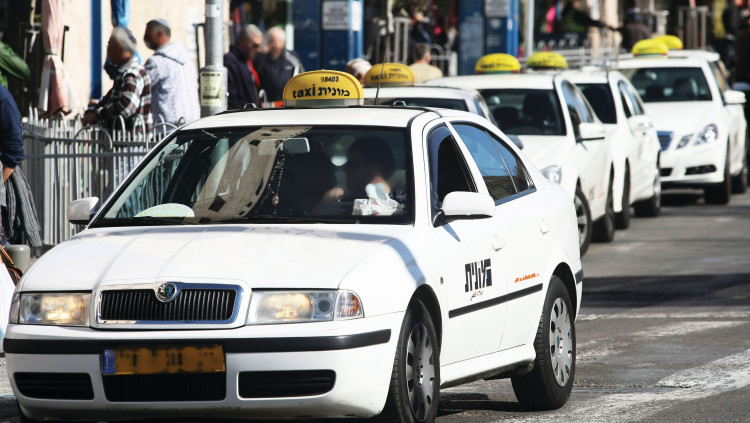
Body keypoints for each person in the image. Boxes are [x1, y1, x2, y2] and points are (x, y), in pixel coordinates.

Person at [82, 27, 153, 135]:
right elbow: (109, 99)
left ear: (120, 48)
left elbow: (126, 106)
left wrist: (98, 115)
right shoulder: (123, 73)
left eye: (110, 45)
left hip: (131, 141)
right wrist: (93, 110)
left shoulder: (131, 74)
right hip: (121, 141)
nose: (107, 50)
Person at [143, 19, 199, 126]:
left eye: (147, 34)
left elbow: (139, 87)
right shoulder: (187, 60)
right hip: (191, 125)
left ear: (160, 34)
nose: (145, 38)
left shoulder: (157, 62)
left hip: (167, 128)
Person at [322, 138, 395, 203]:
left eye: (352, 165)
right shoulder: (342, 197)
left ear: (375, 168)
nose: (345, 170)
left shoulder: (392, 206)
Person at [253, 27, 304, 103]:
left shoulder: (291, 56)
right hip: (267, 103)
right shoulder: (261, 57)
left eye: (273, 40)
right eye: (269, 40)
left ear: (282, 42)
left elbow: (301, 76)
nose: (270, 44)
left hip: (289, 102)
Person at [224, 25, 263, 109]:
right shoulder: (230, 62)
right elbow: (230, 99)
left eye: (259, 46)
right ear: (242, 41)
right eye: (255, 45)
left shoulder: (246, 62)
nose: (258, 50)